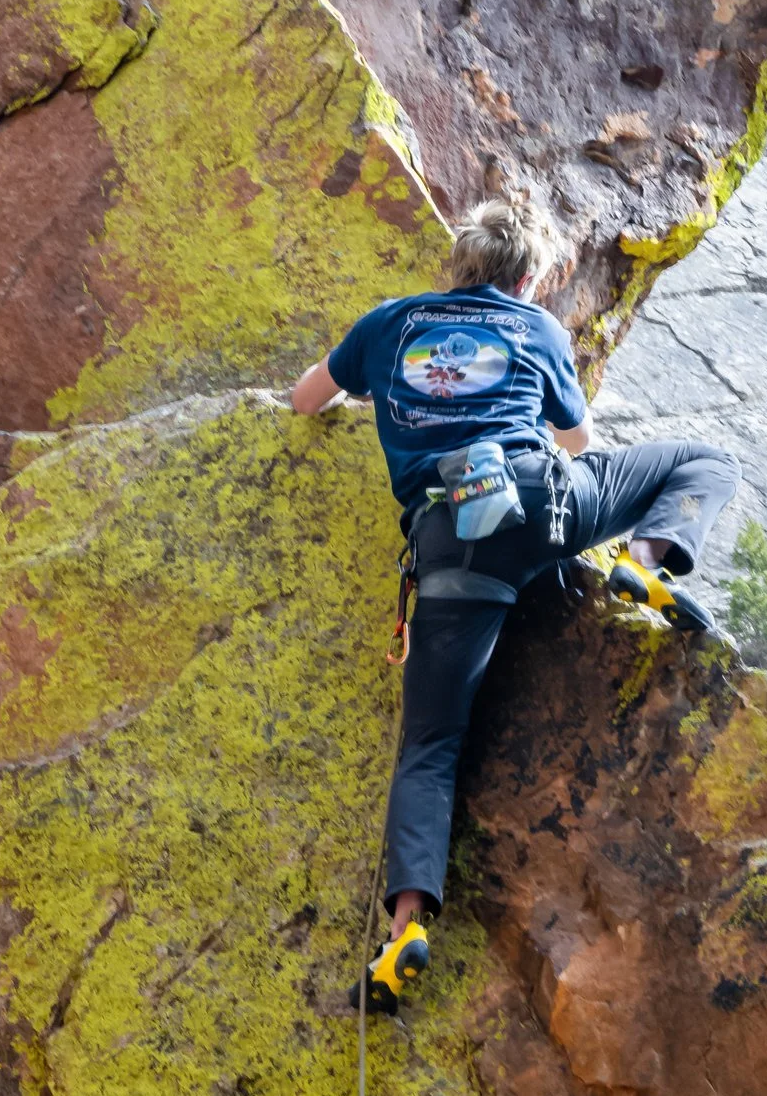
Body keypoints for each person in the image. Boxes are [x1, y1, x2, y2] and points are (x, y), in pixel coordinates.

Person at [291, 195, 739, 1012]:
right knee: (704, 461)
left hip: (449, 539)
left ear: (458, 263)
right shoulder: (536, 329)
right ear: (529, 276)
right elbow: (578, 442)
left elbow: (304, 398)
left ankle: (406, 930)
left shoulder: (388, 323)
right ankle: (644, 562)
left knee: (429, 743)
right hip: (541, 500)